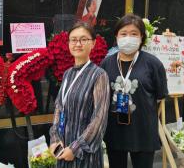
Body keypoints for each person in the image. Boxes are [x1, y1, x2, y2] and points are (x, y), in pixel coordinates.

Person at [100, 14, 168, 168]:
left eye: (134, 34)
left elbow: (160, 95)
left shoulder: (153, 64)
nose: (128, 38)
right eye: (123, 34)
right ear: (116, 36)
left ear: (142, 37)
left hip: (143, 131)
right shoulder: (106, 63)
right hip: (114, 132)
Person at [49, 21, 110, 168]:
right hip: (63, 147)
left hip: (84, 152)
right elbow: (59, 107)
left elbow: (99, 118)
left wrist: (76, 148)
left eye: (84, 39)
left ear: (93, 43)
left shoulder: (99, 75)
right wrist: (54, 138)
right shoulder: (67, 74)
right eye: (74, 40)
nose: (78, 44)